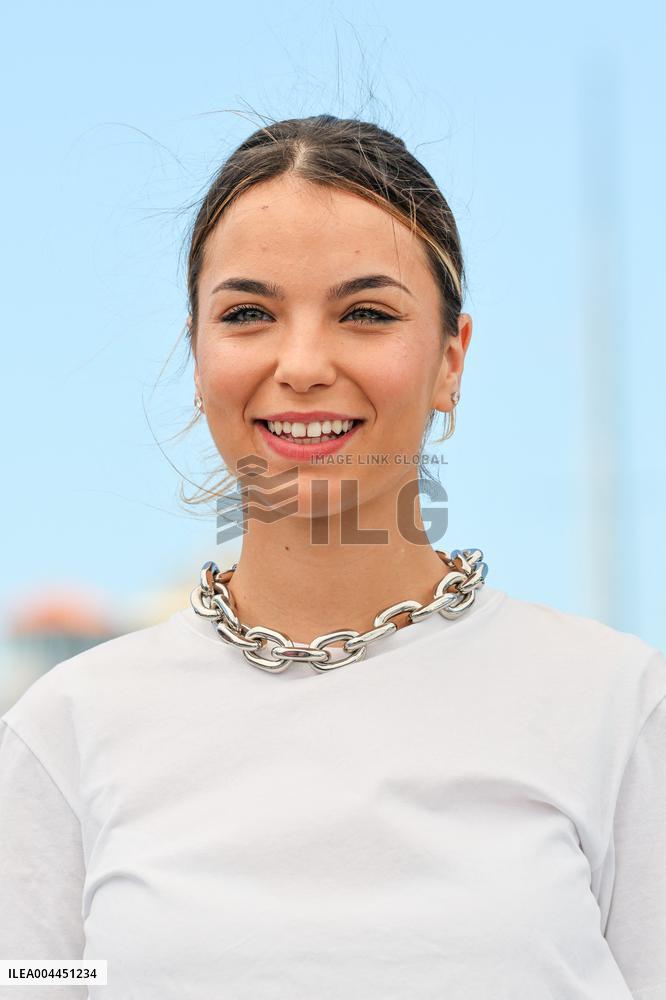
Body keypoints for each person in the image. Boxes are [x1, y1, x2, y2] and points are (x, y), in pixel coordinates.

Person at [1, 114, 665, 1000]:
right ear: (197, 360)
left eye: (366, 314)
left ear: (450, 360)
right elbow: (37, 980)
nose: (304, 363)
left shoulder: (619, 710)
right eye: (247, 314)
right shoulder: (65, 735)